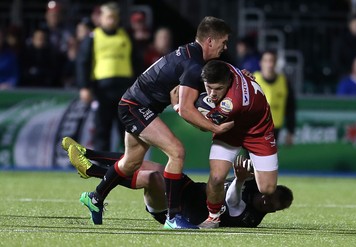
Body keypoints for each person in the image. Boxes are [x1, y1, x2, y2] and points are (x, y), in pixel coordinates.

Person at [78, 16, 234, 229]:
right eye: (223, 42)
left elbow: (182, 103)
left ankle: (95, 198)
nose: (225, 47)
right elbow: (186, 110)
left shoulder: (191, 54)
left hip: (134, 104)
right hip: (136, 106)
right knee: (177, 152)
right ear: (209, 41)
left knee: (131, 162)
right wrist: (215, 128)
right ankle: (173, 217)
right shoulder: (194, 64)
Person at [62, 137, 293, 227]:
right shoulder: (255, 185)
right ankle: (88, 154)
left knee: (151, 177)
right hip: (190, 189)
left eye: (272, 207)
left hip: (181, 211)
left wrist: (240, 181)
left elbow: (231, 202)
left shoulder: (252, 218)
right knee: (149, 165)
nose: (266, 202)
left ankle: (93, 171)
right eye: (270, 198)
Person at [188, 60, 279, 228]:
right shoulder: (225, 67)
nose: (212, 94)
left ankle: (244, 184)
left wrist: (180, 106)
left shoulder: (232, 103)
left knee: (267, 188)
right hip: (231, 130)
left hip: (258, 131)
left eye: (218, 89)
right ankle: (214, 216)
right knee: (216, 177)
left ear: (229, 81)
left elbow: (204, 126)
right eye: (209, 87)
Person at [75, 2, 134, 151]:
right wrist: (84, 87)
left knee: (127, 128)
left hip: (124, 88)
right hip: (102, 89)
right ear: (100, 18)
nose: (111, 21)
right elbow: (83, 62)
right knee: (102, 128)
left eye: (114, 17)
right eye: (108, 17)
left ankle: (129, 163)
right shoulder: (93, 37)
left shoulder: (126, 36)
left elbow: (136, 61)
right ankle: (103, 164)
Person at [253, 50, 296, 144]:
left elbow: (290, 108)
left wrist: (290, 131)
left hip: (274, 129)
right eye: (266, 61)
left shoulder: (284, 82)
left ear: (276, 63)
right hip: (254, 128)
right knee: (250, 158)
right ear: (261, 63)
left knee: (270, 158)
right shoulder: (253, 80)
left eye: (272, 61)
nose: (269, 64)